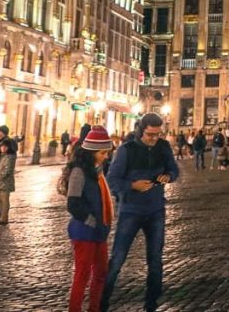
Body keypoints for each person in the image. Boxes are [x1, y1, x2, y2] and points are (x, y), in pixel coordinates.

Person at [100, 113, 179, 312]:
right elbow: (112, 180)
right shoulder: (127, 150)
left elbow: (174, 170)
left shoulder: (163, 147)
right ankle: (101, 302)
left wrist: (168, 176)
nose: (154, 139)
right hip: (131, 211)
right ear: (141, 130)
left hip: (155, 210)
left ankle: (151, 303)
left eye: (157, 134)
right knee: (118, 258)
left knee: (155, 259)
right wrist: (132, 185)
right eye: (150, 135)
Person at [63, 125, 114, 312]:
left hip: (99, 231)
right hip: (84, 231)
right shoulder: (79, 172)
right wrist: (91, 220)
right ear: (91, 152)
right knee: (82, 275)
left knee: (101, 273)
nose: (106, 156)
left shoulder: (97, 171)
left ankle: (94, 308)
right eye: (102, 153)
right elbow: (73, 204)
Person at [0, 133, 17, 225]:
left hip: (5, 182)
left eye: (5, 147)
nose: (3, 148)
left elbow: (8, 170)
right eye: (2, 146)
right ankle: (2, 217)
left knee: (4, 200)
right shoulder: (2, 156)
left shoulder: (10, 157)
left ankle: (4, 218)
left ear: (9, 148)